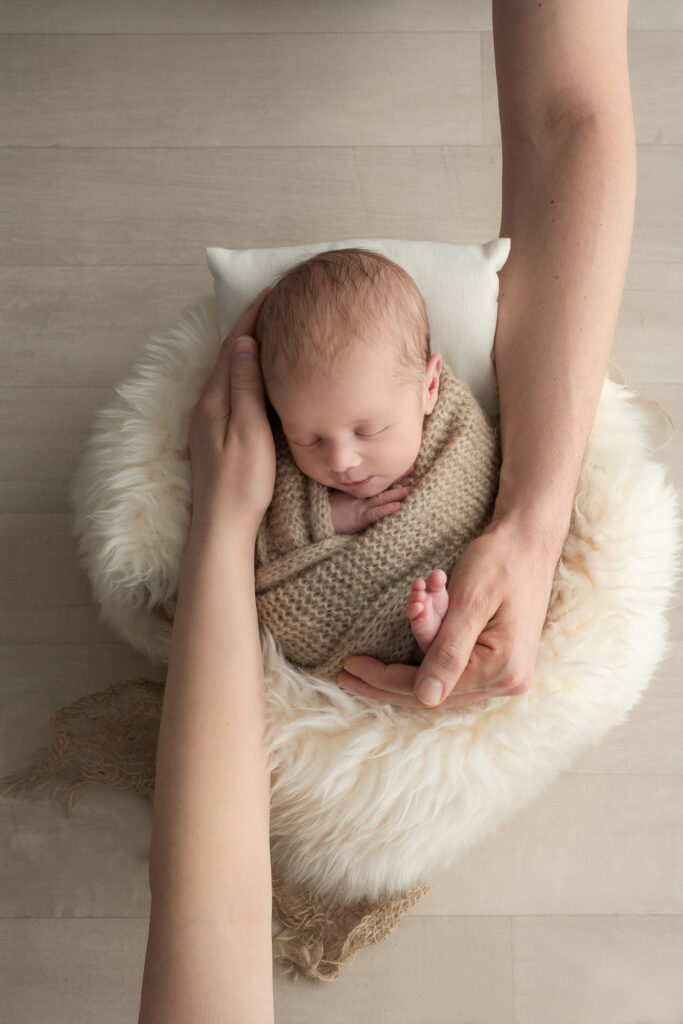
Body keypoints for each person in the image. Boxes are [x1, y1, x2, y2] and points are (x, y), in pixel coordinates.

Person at [137, 1, 637, 1019]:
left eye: (363, 431)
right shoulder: (312, 465)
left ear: (423, 387)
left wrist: (526, 524)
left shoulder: (442, 426)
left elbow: (216, 920)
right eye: (312, 439)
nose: (340, 462)